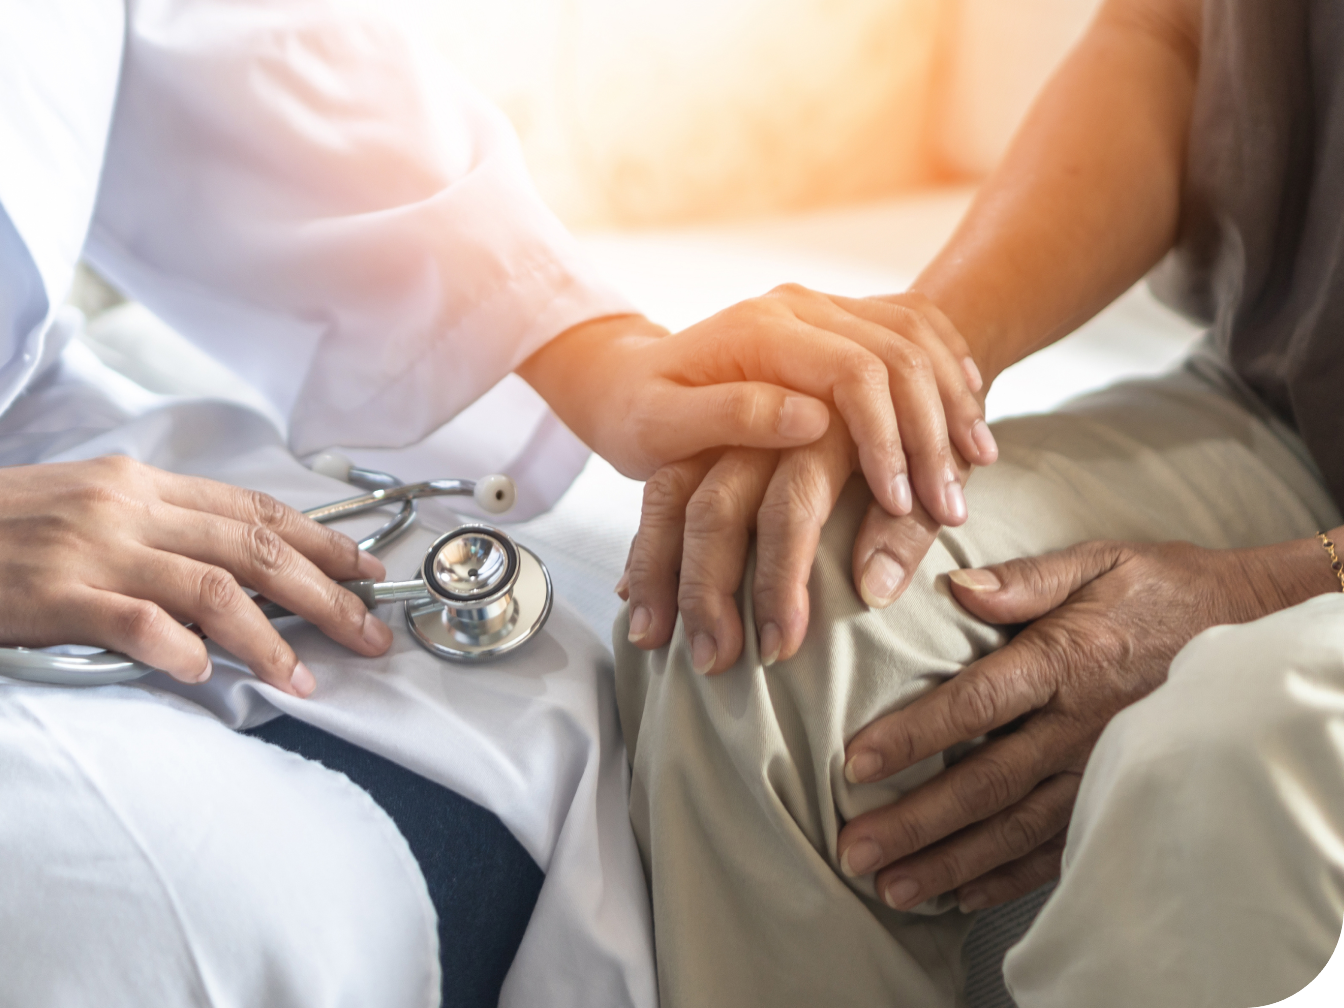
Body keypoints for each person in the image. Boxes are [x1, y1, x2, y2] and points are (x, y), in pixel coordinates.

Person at [0, 3, 996, 1006]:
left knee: (546, 715)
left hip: (59, 450)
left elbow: (208, 28)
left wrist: (593, 351)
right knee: (191, 905)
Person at [616, 0, 1344, 1004]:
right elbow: (1168, 37)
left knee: (1229, 742)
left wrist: (1276, 586)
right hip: (1289, 407)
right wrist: (919, 362)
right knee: (776, 588)